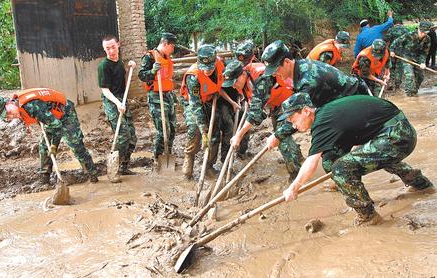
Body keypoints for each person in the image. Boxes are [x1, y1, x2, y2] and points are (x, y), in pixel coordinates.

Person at [281, 93, 434, 226]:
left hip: (398, 136)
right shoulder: (325, 114)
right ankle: (422, 185)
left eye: (292, 118)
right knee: (335, 160)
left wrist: (294, 188)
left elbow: (311, 162)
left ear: (306, 111)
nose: (292, 124)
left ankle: (368, 216)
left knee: (341, 168)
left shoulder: (322, 122)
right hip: (397, 131)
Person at [231, 40, 370, 181]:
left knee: (332, 159)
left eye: (276, 69)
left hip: (355, 104)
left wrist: (277, 136)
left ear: (286, 62)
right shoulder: (300, 69)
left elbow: (300, 117)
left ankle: (352, 177)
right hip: (338, 106)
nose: (275, 75)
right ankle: (346, 177)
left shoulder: (308, 81)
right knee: (330, 161)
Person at [0, 89, 99, 185]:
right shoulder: (19, 106)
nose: (11, 116)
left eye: (9, 112)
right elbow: (46, 121)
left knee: (75, 143)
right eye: (7, 117)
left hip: (66, 114)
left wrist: (54, 146)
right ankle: (44, 178)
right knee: (43, 146)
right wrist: (51, 145)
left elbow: (57, 126)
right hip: (50, 117)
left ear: (9, 103)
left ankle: (92, 174)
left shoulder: (32, 106)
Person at [179, 45, 240, 179]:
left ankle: (208, 167)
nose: (207, 71)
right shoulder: (193, 76)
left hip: (210, 99)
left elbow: (222, 84)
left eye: (210, 68)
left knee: (215, 134)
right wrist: (203, 129)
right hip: (192, 102)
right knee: (194, 130)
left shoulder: (220, 64)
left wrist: (231, 101)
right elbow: (195, 105)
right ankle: (187, 167)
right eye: (204, 68)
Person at [98, 35, 137, 179]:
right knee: (123, 135)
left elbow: (124, 83)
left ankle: (124, 167)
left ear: (118, 45)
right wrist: (117, 103)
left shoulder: (119, 63)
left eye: (113, 47)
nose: (110, 51)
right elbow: (105, 90)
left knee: (132, 137)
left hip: (122, 99)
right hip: (111, 101)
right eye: (107, 48)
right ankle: (115, 165)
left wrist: (130, 67)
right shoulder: (104, 66)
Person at [138, 32, 178, 164]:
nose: (173, 49)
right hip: (156, 96)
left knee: (172, 128)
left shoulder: (167, 57)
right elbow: (142, 75)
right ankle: (158, 158)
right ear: (165, 43)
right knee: (163, 129)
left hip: (168, 95)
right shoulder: (150, 57)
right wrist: (152, 71)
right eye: (172, 46)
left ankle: (168, 155)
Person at [390, 22, 434, 97]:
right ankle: (409, 96)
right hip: (406, 57)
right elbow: (396, 42)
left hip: (418, 58)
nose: (423, 34)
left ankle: (414, 92)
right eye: (422, 32)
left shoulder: (427, 39)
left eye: (425, 33)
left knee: (420, 76)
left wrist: (423, 62)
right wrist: (392, 50)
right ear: (419, 30)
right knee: (409, 76)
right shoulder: (409, 35)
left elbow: (424, 52)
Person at [384, 21, 408, 90]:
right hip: (402, 52)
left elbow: (386, 39)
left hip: (392, 51)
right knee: (399, 69)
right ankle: (397, 86)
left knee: (391, 67)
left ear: (395, 24)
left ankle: (391, 82)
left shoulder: (391, 29)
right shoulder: (406, 30)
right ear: (401, 24)